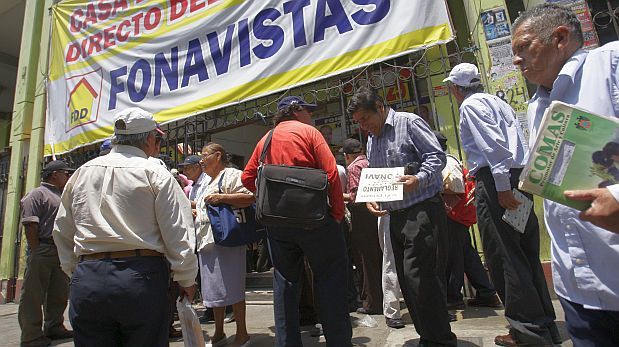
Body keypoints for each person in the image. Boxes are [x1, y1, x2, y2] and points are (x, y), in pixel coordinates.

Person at [512, 4, 619, 345]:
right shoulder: (536, 107)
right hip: (577, 291)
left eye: (523, 48)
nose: (517, 60)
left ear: (559, 38)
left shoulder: (610, 66)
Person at [53, 107, 198, 347]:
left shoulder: (82, 173)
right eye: (158, 139)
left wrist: (75, 271)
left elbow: (62, 230)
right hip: (141, 279)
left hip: (88, 277)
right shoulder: (156, 174)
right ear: (150, 139)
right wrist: (186, 279)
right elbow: (177, 232)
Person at [443, 62, 559, 346]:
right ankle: (544, 326)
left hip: (500, 181)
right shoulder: (497, 101)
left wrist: (501, 188)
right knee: (525, 252)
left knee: (505, 257)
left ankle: (527, 331)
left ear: (457, 89)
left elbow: (495, 149)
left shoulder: (470, 105)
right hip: (516, 178)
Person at [348, 87, 456, 346]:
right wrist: (372, 197)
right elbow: (375, 174)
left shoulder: (408, 123)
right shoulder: (372, 139)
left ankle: (440, 339)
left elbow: (436, 157)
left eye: (365, 119)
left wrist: (417, 179)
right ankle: (427, 336)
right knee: (407, 282)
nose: (363, 126)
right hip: (394, 216)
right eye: (358, 122)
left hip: (420, 211)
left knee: (421, 279)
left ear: (380, 107)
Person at [242, 96, 352, 347]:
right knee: (330, 280)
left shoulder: (265, 139)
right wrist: (336, 212)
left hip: (278, 223)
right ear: (297, 111)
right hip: (315, 220)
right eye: (309, 111)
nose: (311, 115)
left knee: (285, 284)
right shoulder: (309, 133)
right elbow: (332, 172)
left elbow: (248, 178)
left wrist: (269, 196)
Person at [433, 132, 501, 310]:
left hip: (453, 216)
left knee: (453, 257)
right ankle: (486, 292)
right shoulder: (446, 161)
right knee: (467, 255)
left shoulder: (446, 162)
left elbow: (455, 187)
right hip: (456, 215)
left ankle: (453, 297)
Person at [194, 143, 252, 347]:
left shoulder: (232, 174)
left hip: (227, 240)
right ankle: (218, 333)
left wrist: (222, 197)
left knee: (233, 286)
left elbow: (249, 197)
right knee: (213, 290)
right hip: (207, 241)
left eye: (204, 155)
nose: (201, 160)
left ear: (217, 156)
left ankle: (242, 333)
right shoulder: (205, 181)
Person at [18, 160, 74, 347]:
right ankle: (31, 335)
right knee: (34, 295)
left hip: (59, 249)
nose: (68, 177)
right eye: (66, 173)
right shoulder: (37, 194)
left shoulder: (61, 195)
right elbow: (30, 224)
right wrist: (36, 250)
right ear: (55, 174)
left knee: (58, 292)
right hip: (43, 247)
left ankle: (54, 326)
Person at [341, 138, 383, 316]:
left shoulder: (352, 168)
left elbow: (355, 195)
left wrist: (338, 195)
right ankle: (385, 298)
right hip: (379, 211)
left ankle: (372, 303)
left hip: (362, 213)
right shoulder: (372, 161)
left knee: (365, 260)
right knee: (380, 257)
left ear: (347, 155)